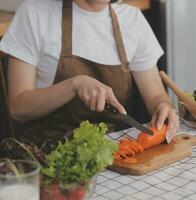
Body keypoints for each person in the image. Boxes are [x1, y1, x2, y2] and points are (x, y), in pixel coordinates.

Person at [0, 0, 178, 147]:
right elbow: (18, 108)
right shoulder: (35, 13)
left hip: (105, 155)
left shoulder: (132, 20)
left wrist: (163, 107)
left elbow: (155, 96)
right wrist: (74, 84)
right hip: (45, 154)